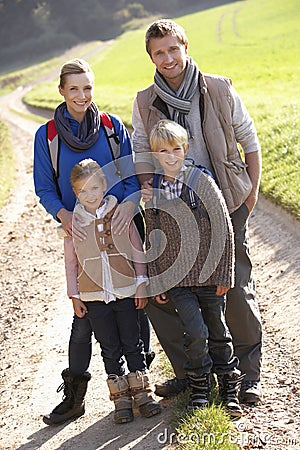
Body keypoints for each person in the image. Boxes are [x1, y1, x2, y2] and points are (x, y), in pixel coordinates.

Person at [132, 19, 263, 404]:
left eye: (173, 48)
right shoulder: (144, 101)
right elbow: (141, 149)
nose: (168, 58)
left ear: (185, 46)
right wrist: (149, 194)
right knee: (170, 290)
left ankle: (246, 374)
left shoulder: (219, 88)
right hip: (175, 210)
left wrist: (250, 193)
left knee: (234, 286)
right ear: (151, 57)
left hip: (225, 202)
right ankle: (191, 374)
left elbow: (249, 138)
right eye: (159, 52)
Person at [33, 58, 154, 425]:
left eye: (87, 87)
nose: (82, 95)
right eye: (74, 88)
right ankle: (75, 398)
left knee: (135, 307)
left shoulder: (112, 128)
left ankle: (140, 386)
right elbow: (44, 188)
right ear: (62, 91)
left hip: (122, 231)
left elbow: (133, 179)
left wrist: (129, 204)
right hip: (83, 238)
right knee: (85, 318)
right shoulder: (48, 136)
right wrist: (64, 215)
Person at [144, 119, 244, 416]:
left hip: (211, 275)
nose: (171, 155)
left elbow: (224, 227)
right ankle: (200, 387)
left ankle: (229, 389)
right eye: (163, 151)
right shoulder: (154, 193)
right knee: (194, 332)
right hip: (178, 281)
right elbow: (153, 237)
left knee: (218, 331)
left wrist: (225, 273)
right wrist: (158, 281)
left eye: (176, 148)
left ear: (186, 149)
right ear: (155, 155)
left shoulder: (202, 181)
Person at [52, 159, 161, 425]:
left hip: (125, 291)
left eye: (95, 188)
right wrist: (74, 295)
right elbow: (70, 262)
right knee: (110, 348)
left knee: (132, 343)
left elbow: (137, 248)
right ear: (76, 194)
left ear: (104, 185)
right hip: (94, 297)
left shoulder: (119, 213)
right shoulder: (73, 224)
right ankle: (121, 399)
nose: (90, 195)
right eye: (83, 191)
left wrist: (141, 283)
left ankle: (143, 394)